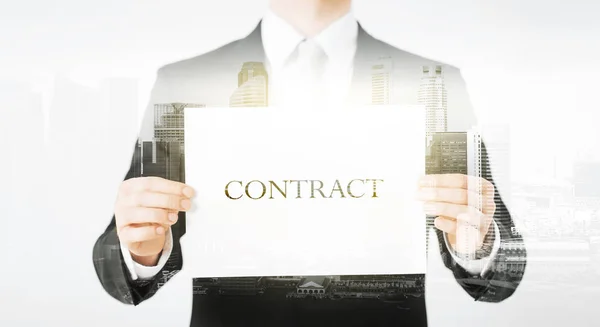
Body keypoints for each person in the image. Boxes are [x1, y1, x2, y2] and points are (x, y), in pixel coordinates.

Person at [93, 0, 527, 326]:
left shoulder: (433, 81)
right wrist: (140, 248)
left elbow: (503, 272)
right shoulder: (185, 80)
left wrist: (477, 241)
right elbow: (121, 261)